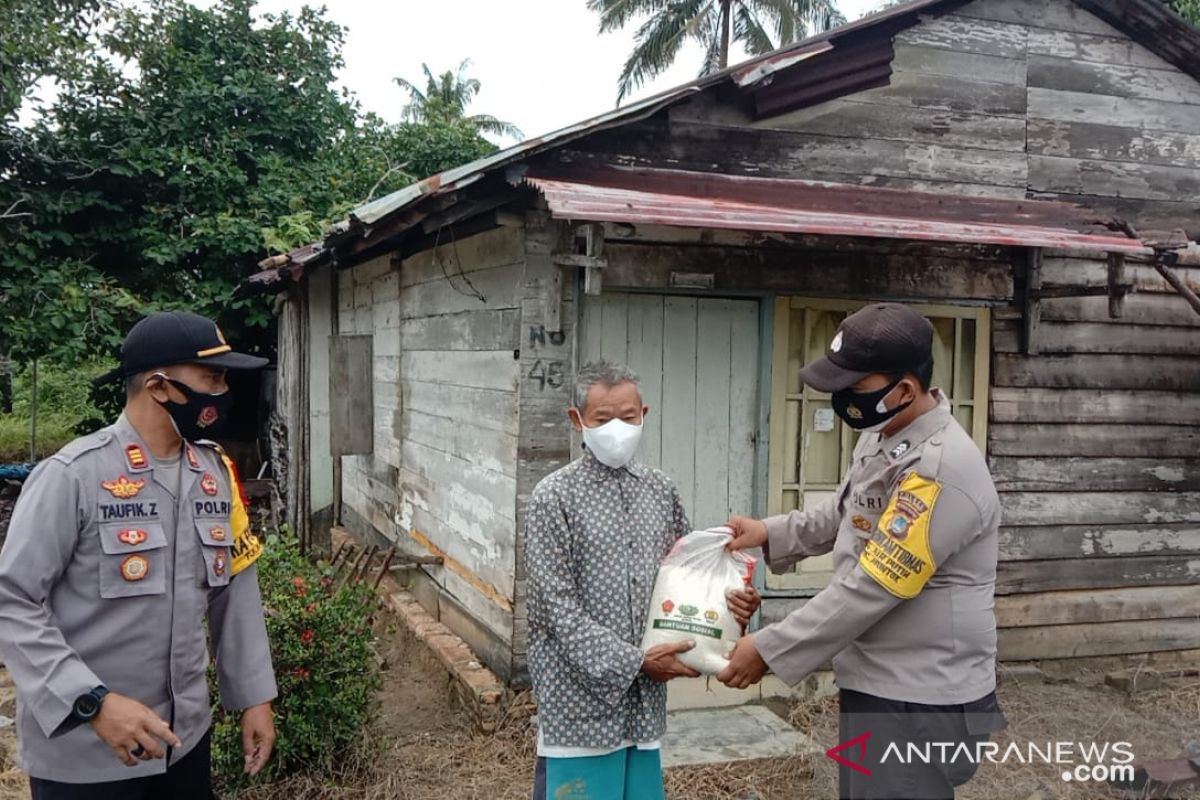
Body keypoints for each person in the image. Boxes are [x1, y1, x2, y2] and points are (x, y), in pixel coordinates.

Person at [718, 303, 1006, 800]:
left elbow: (872, 587)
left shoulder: (938, 471)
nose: (841, 396)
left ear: (906, 389)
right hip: (880, 681)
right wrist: (768, 531)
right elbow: (846, 513)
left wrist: (768, 650)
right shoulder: (883, 433)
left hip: (921, 697)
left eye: (854, 385)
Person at [0, 311, 278, 799]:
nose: (223, 391)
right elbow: (11, 600)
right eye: (211, 377)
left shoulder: (213, 473)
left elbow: (234, 589)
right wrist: (93, 703)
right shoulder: (74, 476)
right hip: (86, 756)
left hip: (184, 745)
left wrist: (254, 696)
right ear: (158, 385)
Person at [525, 361, 760, 800]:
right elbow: (558, 612)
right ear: (577, 420)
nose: (617, 428)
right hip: (578, 699)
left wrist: (732, 609)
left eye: (628, 417)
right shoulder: (552, 498)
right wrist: (635, 662)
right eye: (602, 418)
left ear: (644, 414)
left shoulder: (660, 490)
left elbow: (688, 579)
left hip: (644, 703)